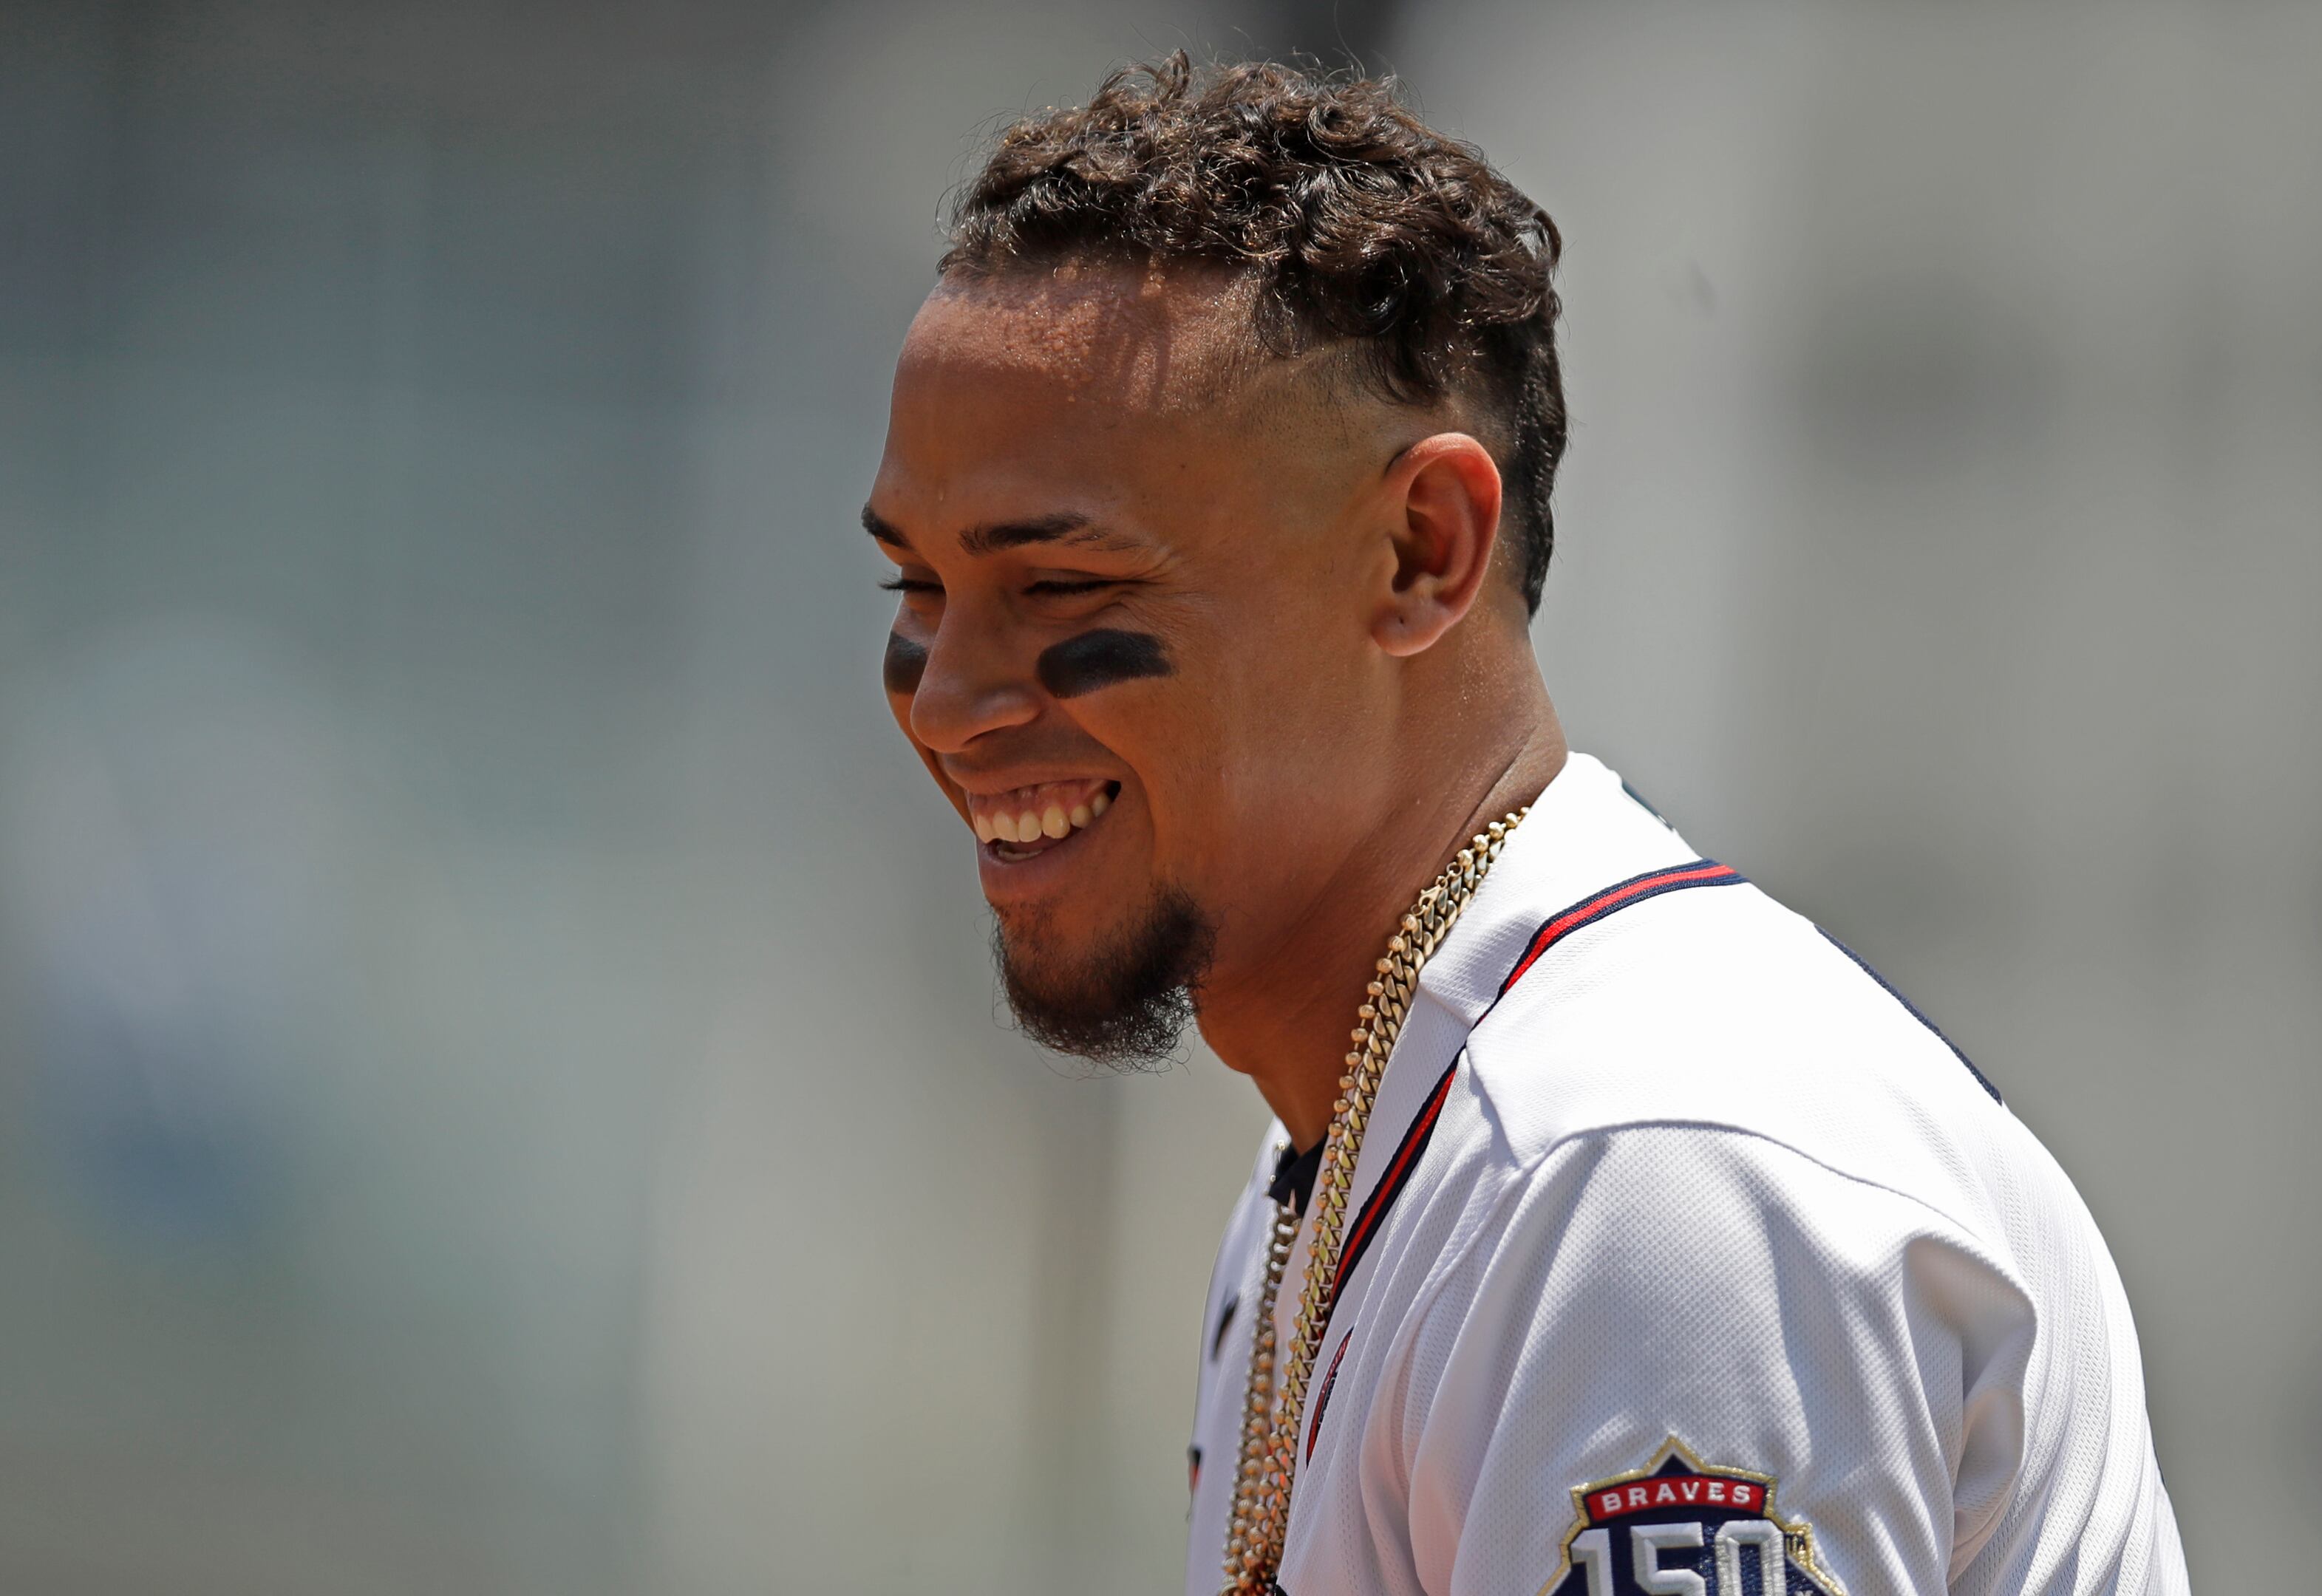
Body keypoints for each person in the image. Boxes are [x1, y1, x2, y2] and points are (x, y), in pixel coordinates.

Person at [863, 54, 2187, 1596]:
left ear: (1420, 552)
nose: (945, 700)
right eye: (917, 586)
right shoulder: (1388, 1128)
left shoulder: (1633, 1170)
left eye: (1060, 585)